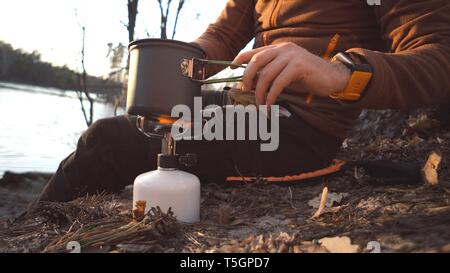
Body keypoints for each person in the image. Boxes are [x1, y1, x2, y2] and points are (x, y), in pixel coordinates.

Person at [35, 0, 450, 202]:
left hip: (294, 130)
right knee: (140, 124)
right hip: (243, 109)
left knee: (111, 139)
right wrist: (175, 59)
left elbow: (439, 57)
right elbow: (222, 33)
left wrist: (338, 72)